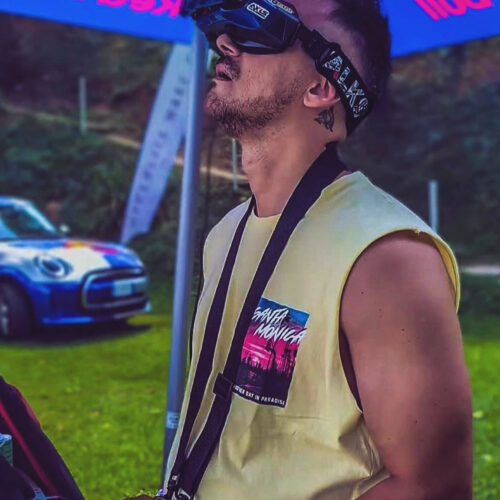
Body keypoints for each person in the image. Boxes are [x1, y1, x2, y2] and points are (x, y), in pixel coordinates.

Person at [127, 0, 472, 498]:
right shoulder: (225, 234)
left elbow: (433, 488)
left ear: (321, 87)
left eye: (261, 23)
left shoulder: (386, 257)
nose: (224, 41)